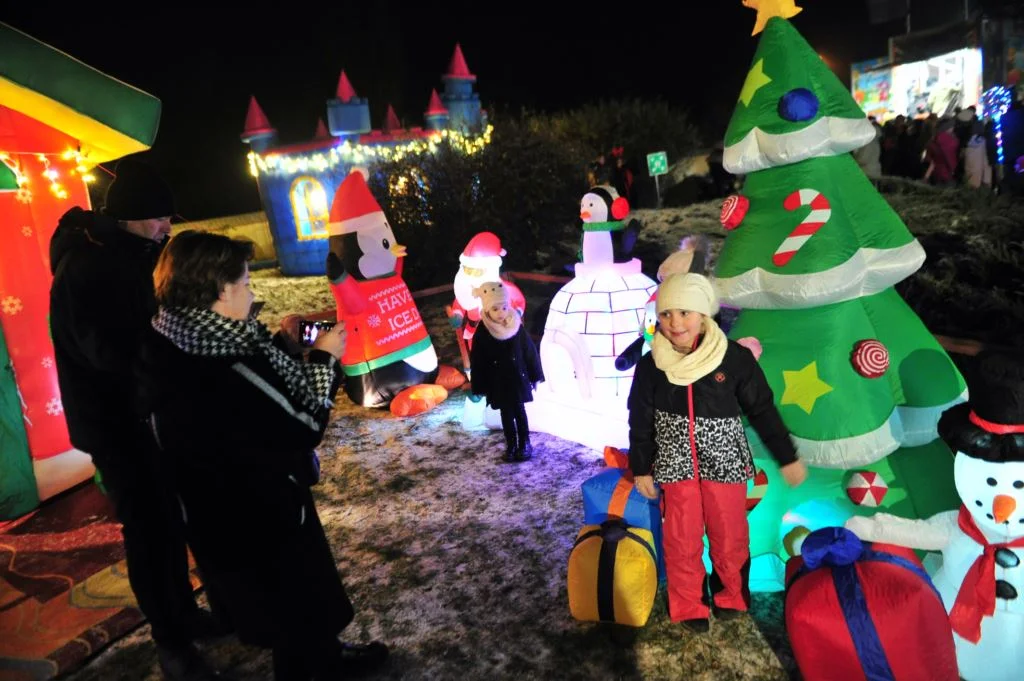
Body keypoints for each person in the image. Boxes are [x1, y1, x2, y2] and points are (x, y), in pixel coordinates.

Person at [135, 231, 388, 681]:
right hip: (260, 517)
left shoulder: (179, 339)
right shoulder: (225, 363)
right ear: (220, 290)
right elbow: (302, 424)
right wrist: (325, 361)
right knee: (296, 612)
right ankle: (318, 667)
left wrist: (283, 345)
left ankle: (326, 654)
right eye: (247, 283)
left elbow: (250, 391)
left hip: (220, 515)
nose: (252, 293)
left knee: (287, 611)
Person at [49, 157, 228, 680]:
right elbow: (109, 353)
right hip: (119, 427)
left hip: (150, 415)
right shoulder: (88, 266)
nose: (166, 227)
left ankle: (184, 614)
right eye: (157, 218)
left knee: (172, 521)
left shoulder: (132, 253)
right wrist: (171, 352)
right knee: (150, 530)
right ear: (128, 216)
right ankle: (171, 640)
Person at [627, 273, 807, 633]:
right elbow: (640, 416)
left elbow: (762, 409)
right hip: (676, 464)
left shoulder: (734, 358)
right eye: (665, 315)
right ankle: (688, 601)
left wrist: (787, 456)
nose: (674, 324)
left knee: (730, 535)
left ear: (704, 314)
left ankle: (731, 594)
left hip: (724, 460)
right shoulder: (651, 365)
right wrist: (641, 467)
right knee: (681, 537)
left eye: (684, 313)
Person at [469, 281, 544, 463]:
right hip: (498, 381)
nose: (501, 313)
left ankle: (524, 443)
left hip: (517, 377)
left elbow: (529, 351)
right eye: (495, 309)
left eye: (503, 307)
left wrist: (535, 375)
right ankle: (511, 444)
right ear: (487, 310)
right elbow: (478, 360)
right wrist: (479, 386)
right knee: (506, 414)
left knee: (519, 411)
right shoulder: (483, 331)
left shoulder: (515, 325)